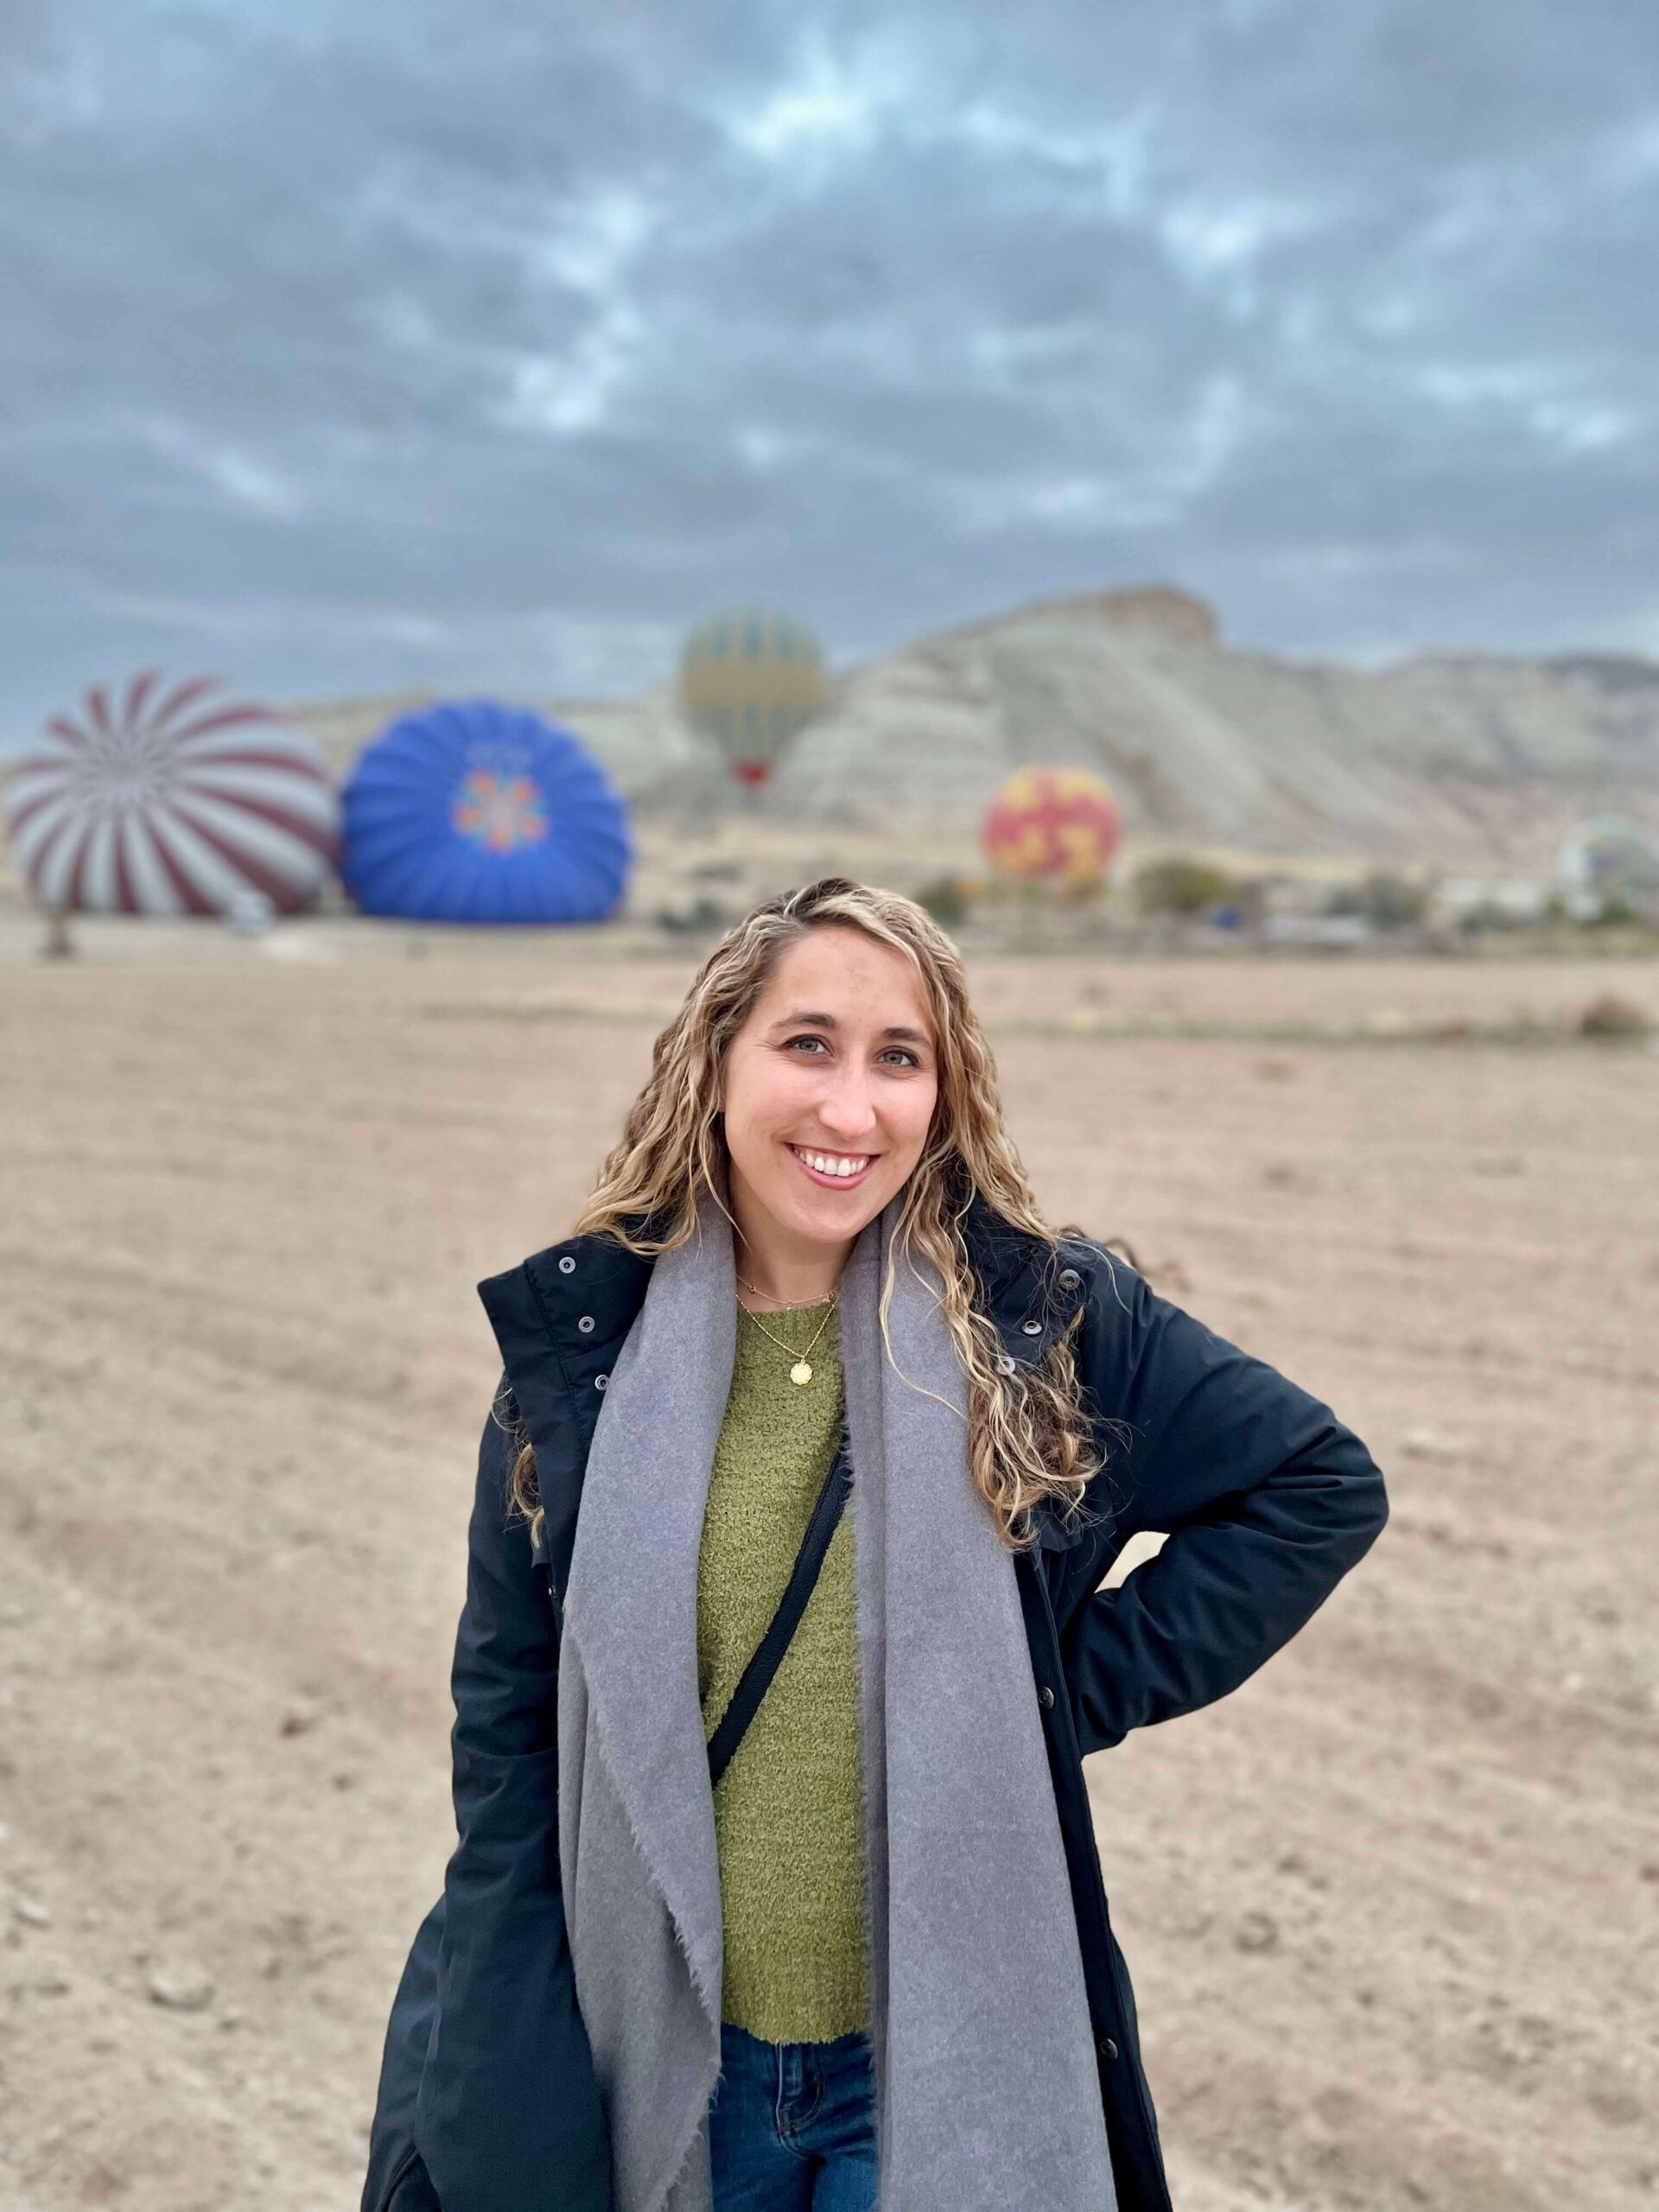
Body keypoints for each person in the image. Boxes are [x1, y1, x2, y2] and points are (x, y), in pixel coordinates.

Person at [361, 877, 1389, 2212]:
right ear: (713, 1062)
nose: (851, 1110)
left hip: (933, 2069)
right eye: (807, 1046)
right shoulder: (586, 1358)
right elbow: (506, 1740)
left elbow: (1317, 1486)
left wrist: (1052, 1694)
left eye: (898, 1059)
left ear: (941, 1096)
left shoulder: (1041, 1327)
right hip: (671, 2075)